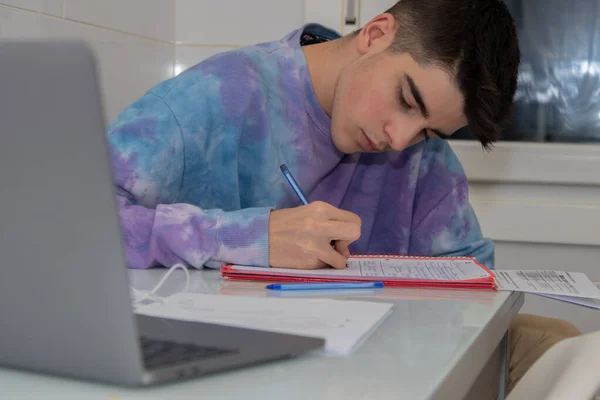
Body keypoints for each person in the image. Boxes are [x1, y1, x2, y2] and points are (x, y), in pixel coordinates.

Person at [107, 0, 519, 272]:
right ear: (375, 35)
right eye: (407, 100)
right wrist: (245, 238)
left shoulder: (425, 159)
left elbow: (470, 280)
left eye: (428, 131)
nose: (401, 140)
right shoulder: (219, 94)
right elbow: (65, 219)